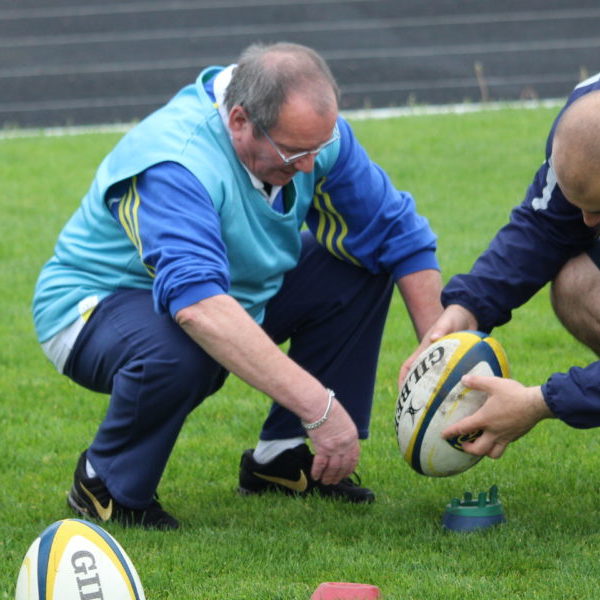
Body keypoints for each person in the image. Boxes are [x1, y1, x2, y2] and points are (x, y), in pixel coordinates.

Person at [33, 42, 443, 529]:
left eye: (317, 148)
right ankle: (105, 483)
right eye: (295, 153)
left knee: (361, 262)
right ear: (239, 121)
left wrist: (440, 359)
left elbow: (397, 232)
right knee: (185, 346)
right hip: (91, 308)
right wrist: (320, 407)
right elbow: (197, 306)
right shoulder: (177, 161)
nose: (310, 166)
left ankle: (281, 460)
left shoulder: (308, 135)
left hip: (226, 292)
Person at [401, 73, 600, 462]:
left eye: (598, 209)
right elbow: (546, 225)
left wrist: (540, 401)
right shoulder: (584, 116)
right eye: (581, 205)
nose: (588, 223)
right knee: (581, 285)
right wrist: (468, 307)